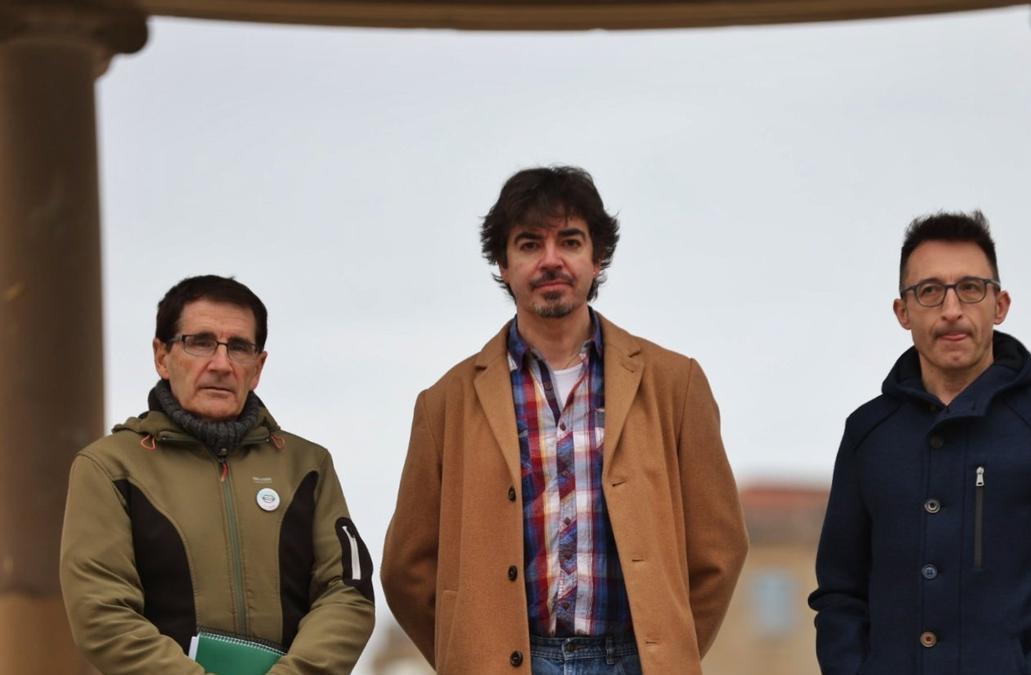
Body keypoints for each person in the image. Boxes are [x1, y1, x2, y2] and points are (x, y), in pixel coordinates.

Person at [381, 166, 748, 674]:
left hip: (633, 661)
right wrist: (469, 655)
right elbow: (407, 570)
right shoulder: (445, 403)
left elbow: (719, 548)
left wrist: (666, 652)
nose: (551, 260)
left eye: (570, 241)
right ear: (503, 264)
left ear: (597, 259)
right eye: (530, 244)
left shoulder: (673, 383)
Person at [808, 212, 1031, 675]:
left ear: (999, 305)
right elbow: (840, 591)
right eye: (929, 291)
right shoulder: (867, 433)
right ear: (903, 312)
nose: (952, 309)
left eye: (970, 288)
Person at [60, 275, 374, 674]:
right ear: (162, 356)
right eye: (201, 342)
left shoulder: (308, 465)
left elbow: (347, 592)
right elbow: (102, 613)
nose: (222, 364)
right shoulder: (109, 468)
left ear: (258, 367)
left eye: (240, 347)